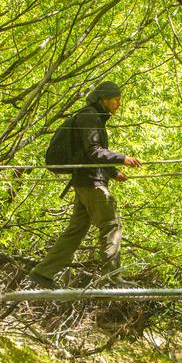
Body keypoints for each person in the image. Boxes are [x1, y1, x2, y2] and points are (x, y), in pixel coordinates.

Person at [29, 81, 142, 289]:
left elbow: (88, 153)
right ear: (104, 99)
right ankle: (112, 278)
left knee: (77, 230)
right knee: (111, 225)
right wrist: (122, 158)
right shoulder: (90, 116)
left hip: (84, 181)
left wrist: (113, 172)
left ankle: (42, 273)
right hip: (91, 183)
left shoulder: (93, 116)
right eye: (115, 99)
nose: (118, 104)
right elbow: (94, 151)